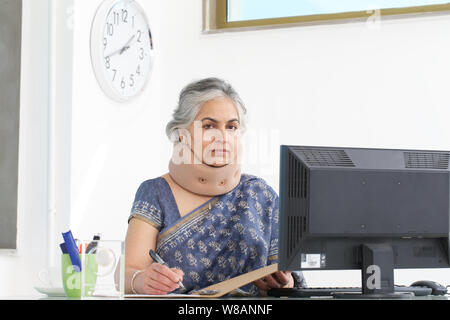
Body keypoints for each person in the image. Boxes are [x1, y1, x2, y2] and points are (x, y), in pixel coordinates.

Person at [124, 77, 306, 296]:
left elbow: (291, 280)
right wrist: (143, 279)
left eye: (231, 127)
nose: (222, 137)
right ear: (183, 134)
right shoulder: (155, 192)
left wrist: (283, 285)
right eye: (209, 126)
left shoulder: (260, 194)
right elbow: (128, 273)